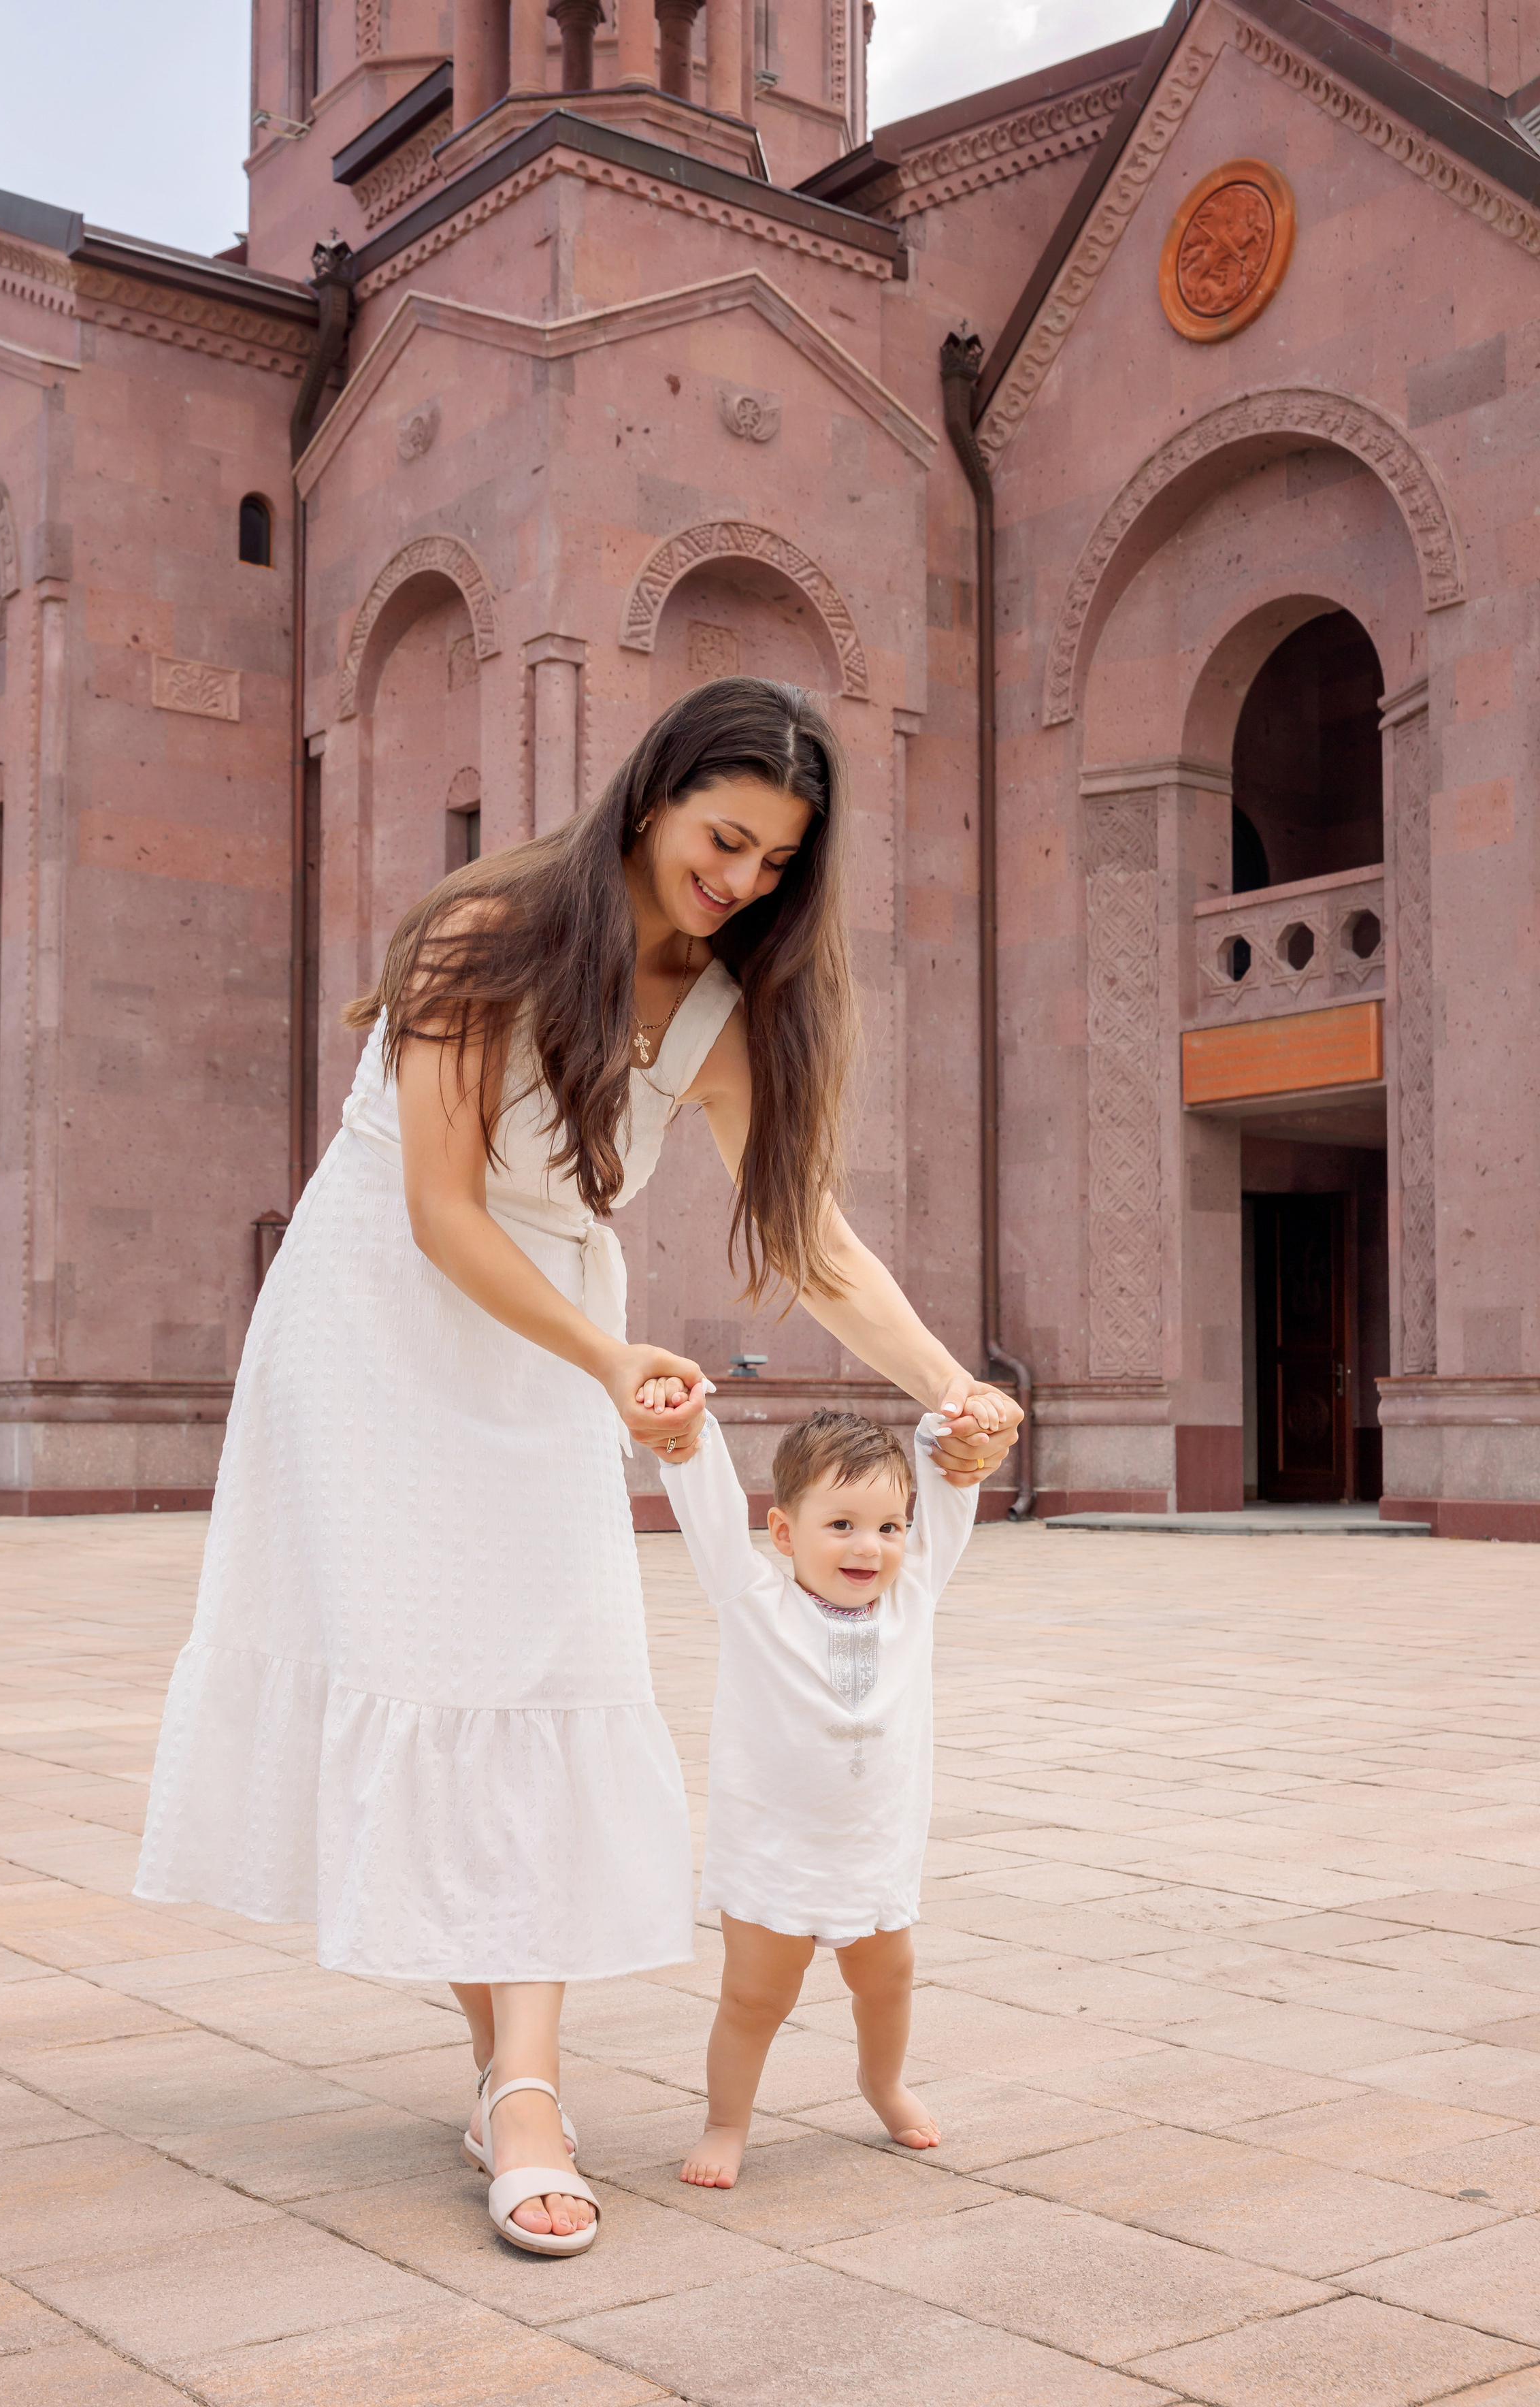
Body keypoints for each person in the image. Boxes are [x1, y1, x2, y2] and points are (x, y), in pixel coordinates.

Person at [135, 677, 1020, 2259]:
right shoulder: (482, 932)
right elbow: (443, 1209)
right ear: (651, 791)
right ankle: (519, 2085)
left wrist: (952, 1382)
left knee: (542, 1667)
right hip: (386, 1320)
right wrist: (609, 1360)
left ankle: (511, 2071)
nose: (739, 880)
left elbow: (805, 1240)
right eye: (722, 838)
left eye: (771, 862)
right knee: (436, 1667)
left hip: (556, 1337)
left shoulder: (718, 1009)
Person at [661, 1407, 975, 2190]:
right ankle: (726, 2121)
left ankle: (882, 2082)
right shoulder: (753, 1602)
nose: (868, 1546)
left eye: (889, 1527)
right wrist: (688, 1432)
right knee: (754, 1998)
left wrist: (953, 1431)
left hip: (874, 1855)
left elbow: (951, 1493)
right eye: (840, 1523)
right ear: (782, 1531)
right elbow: (704, 1512)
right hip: (774, 1858)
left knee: (887, 1980)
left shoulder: (913, 1601)